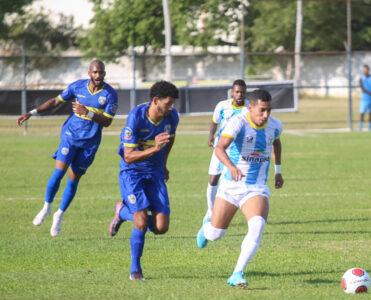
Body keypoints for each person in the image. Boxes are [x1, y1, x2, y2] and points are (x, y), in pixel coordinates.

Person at [17, 60, 118, 237]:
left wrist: (88, 112)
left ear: (104, 73)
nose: (98, 76)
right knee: (58, 173)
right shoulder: (78, 87)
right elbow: (55, 101)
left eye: (101, 73)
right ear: (89, 73)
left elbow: (107, 122)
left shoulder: (110, 94)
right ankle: (46, 207)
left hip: (90, 143)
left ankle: (59, 214)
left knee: (73, 180)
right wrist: (31, 113)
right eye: (95, 72)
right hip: (70, 137)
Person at [196, 89, 283, 288]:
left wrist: (278, 171)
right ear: (250, 107)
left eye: (269, 110)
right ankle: (206, 228)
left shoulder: (275, 125)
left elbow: (276, 144)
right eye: (262, 110)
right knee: (215, 234)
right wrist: (231, 167)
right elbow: (219, 148)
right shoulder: (238, 122)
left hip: (256, 188)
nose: (266, 115)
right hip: (230, 186)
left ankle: (237, 273)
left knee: (258, 225)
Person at [108, 80, 179, 281]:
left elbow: (170, 138)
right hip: (132, 172)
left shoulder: (171, 117)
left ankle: (121, 211)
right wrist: (155, 149)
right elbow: (128, 156)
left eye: (172, 104)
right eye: (168, 103)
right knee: (140, 222)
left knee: (161, 228)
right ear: (155, 100)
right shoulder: (136, 118)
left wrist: (163, 163)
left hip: (155, 172)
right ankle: (135, 270)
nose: (171, 108)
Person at [204, 79, 249, 222]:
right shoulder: (222, 106)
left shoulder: (250, 107)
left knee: (235, 180)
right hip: (221, 148)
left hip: (239, 150)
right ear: (232, 92)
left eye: (242, 92)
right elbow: (214, 122)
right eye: (237, 92)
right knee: (213, 179)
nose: (240, 94)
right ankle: (210, 212)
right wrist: (211, 136)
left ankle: (242, 211)